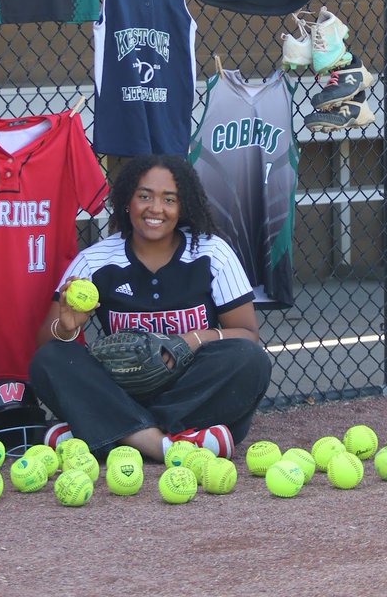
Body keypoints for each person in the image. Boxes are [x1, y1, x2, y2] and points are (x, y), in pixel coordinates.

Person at [29, 153, 273, 461]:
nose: (156, 209)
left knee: (249, 360)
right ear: (127, 201)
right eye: (144, 196)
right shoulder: (96, 260)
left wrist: (191, 339)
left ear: (183, 206)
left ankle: (108, 431)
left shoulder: (212, 252)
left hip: (190, 388)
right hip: (121, 387)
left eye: (169, 199)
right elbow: (46, 346)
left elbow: (247, 334)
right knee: (50, 359)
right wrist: (66, 327)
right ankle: (165, 444)